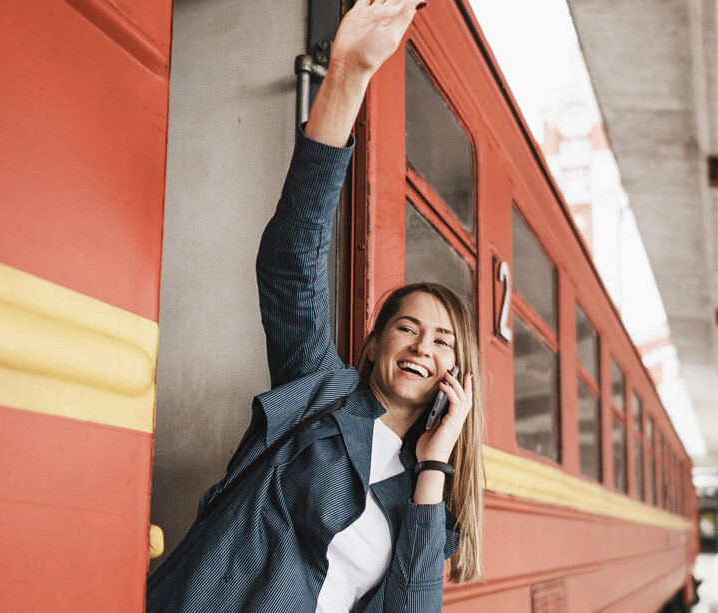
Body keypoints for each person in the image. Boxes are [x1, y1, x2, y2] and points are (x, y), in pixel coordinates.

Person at [146, 1, 485, 611]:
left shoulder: (429, 493)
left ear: (456, 375)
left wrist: (435, 465)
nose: (420, 347)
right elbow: (290, 260)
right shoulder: (318, 388)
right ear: (377, 341)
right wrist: (348, 76)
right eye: (406, 327)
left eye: (441, 341)